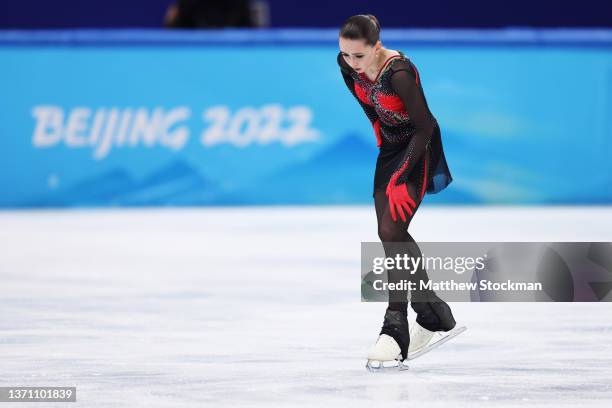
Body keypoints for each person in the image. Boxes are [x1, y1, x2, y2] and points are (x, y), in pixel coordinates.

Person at [337, 14, 459, 368]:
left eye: (359, 56)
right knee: (392, 232)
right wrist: (378, 129)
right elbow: (367, 103)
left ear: (376, 47)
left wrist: (400, 176)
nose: (352, 64)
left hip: (417, 151)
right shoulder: (346, 65)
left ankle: (395, 327)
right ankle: (432, 312)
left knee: (391, 230)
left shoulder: (399, 73)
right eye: (345, 55)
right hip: (390, 149)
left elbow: (425, 127)